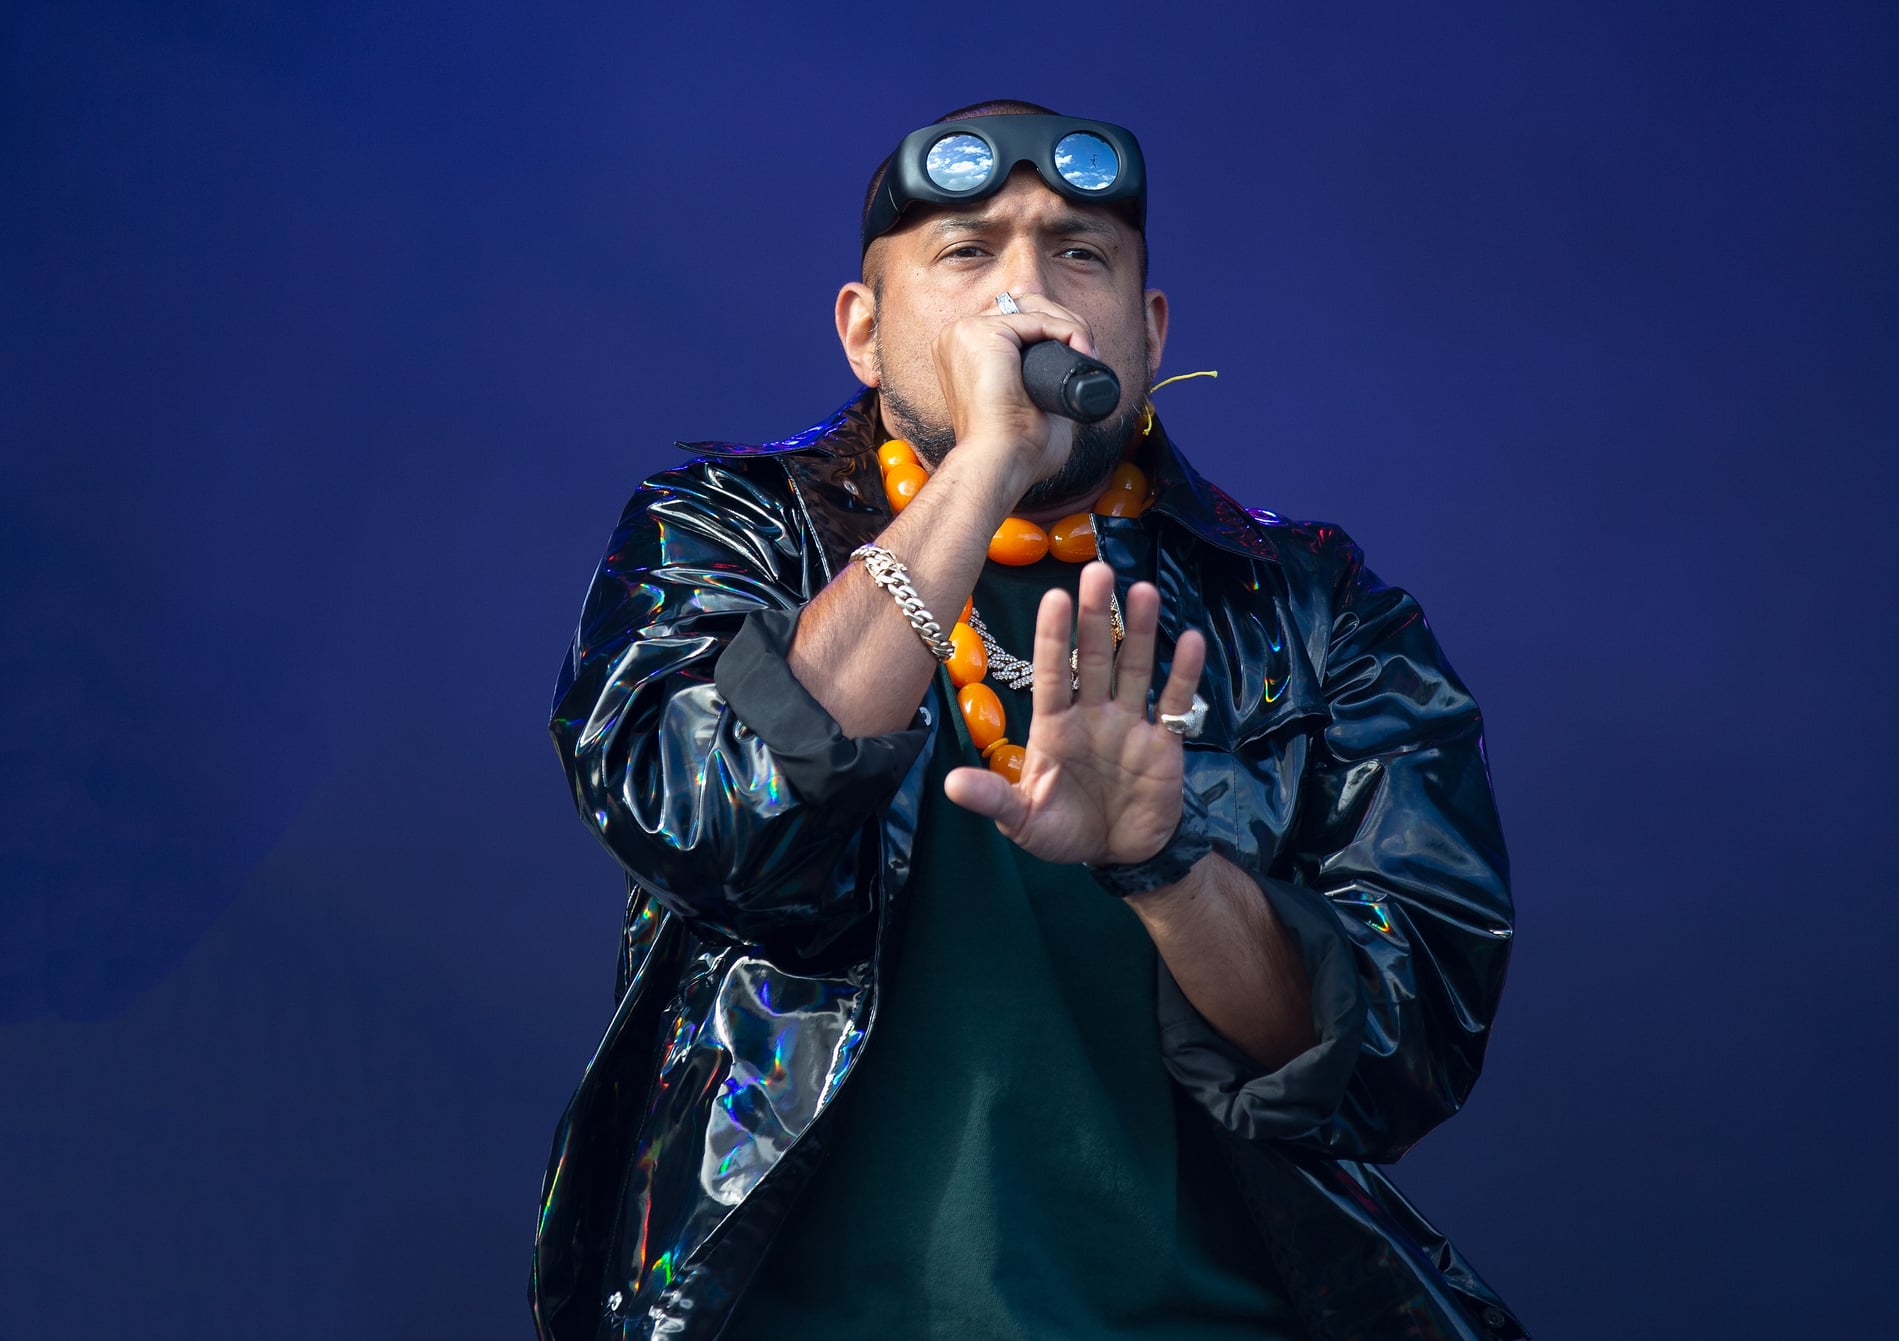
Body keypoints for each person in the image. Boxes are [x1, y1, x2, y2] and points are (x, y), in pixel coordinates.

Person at [531, 99, 1524, 1341]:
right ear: (863, 333)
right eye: (965, 254)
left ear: (1148, 334)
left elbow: (1398, 1047)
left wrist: (1168, 869)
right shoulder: (722, 538)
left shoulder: (1319, 608)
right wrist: (984, 465)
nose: (1027, 296)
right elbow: (718, 821)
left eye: (1080, 254)